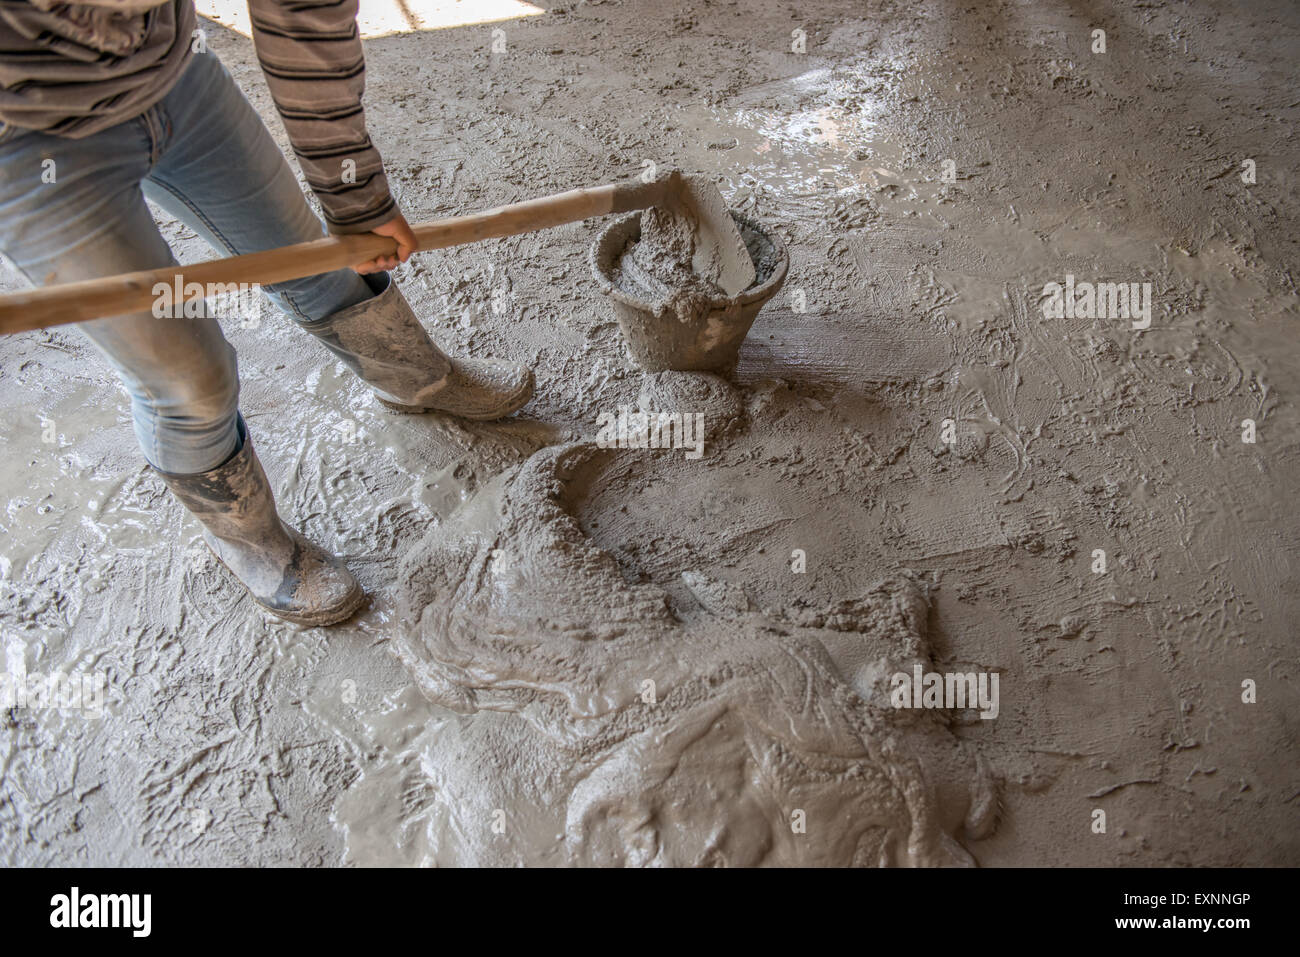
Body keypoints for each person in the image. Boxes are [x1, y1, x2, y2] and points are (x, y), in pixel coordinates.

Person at [0, 0, 534, 625]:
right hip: (24, 139)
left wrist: (352, 188)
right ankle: (247, 539)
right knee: (188, 379)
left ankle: (415, 380)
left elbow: (305, 12)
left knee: (318, 262)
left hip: (177, 78)